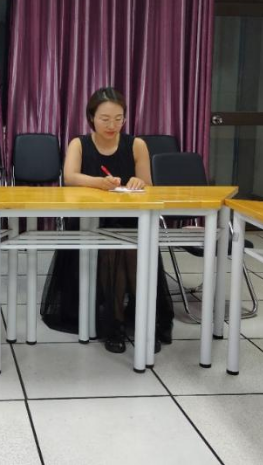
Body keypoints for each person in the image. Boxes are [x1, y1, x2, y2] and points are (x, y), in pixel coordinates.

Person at [40, 87, 174, 353]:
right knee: (113, 247)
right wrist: (98, 183)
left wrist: (138, 182)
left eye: (118, 119)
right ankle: (114, 321)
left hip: (130, 218)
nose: (112, 125)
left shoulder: (136, 145)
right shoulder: (79, 144)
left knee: (131, 246)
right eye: (104, 119)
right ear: (91, 117)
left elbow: (147, 183)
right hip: (90, 220)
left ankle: (143, 320)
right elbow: (70, 177)